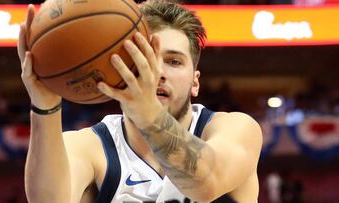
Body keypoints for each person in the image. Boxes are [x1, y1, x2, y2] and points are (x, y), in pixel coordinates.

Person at [17, 0, 262, 202]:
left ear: (195, 82)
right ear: (120, 70)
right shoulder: (89, 147)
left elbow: (206, 184)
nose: (158, 71)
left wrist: (149, 115)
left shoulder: (236, 129)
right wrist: (45, 103)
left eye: (174, 61)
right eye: (146, 58)